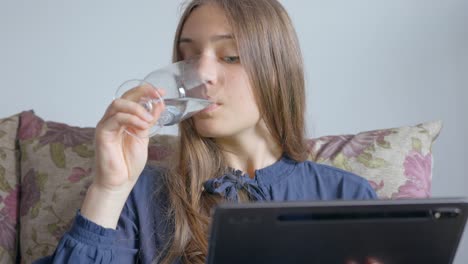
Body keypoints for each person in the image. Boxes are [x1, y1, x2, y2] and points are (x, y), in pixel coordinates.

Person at [34, 0, 377, 263]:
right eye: (189, 57)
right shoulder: (142, 194)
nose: (202, 74)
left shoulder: (347, 196)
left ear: (277, 72)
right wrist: (109, 189)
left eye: (230, 57)